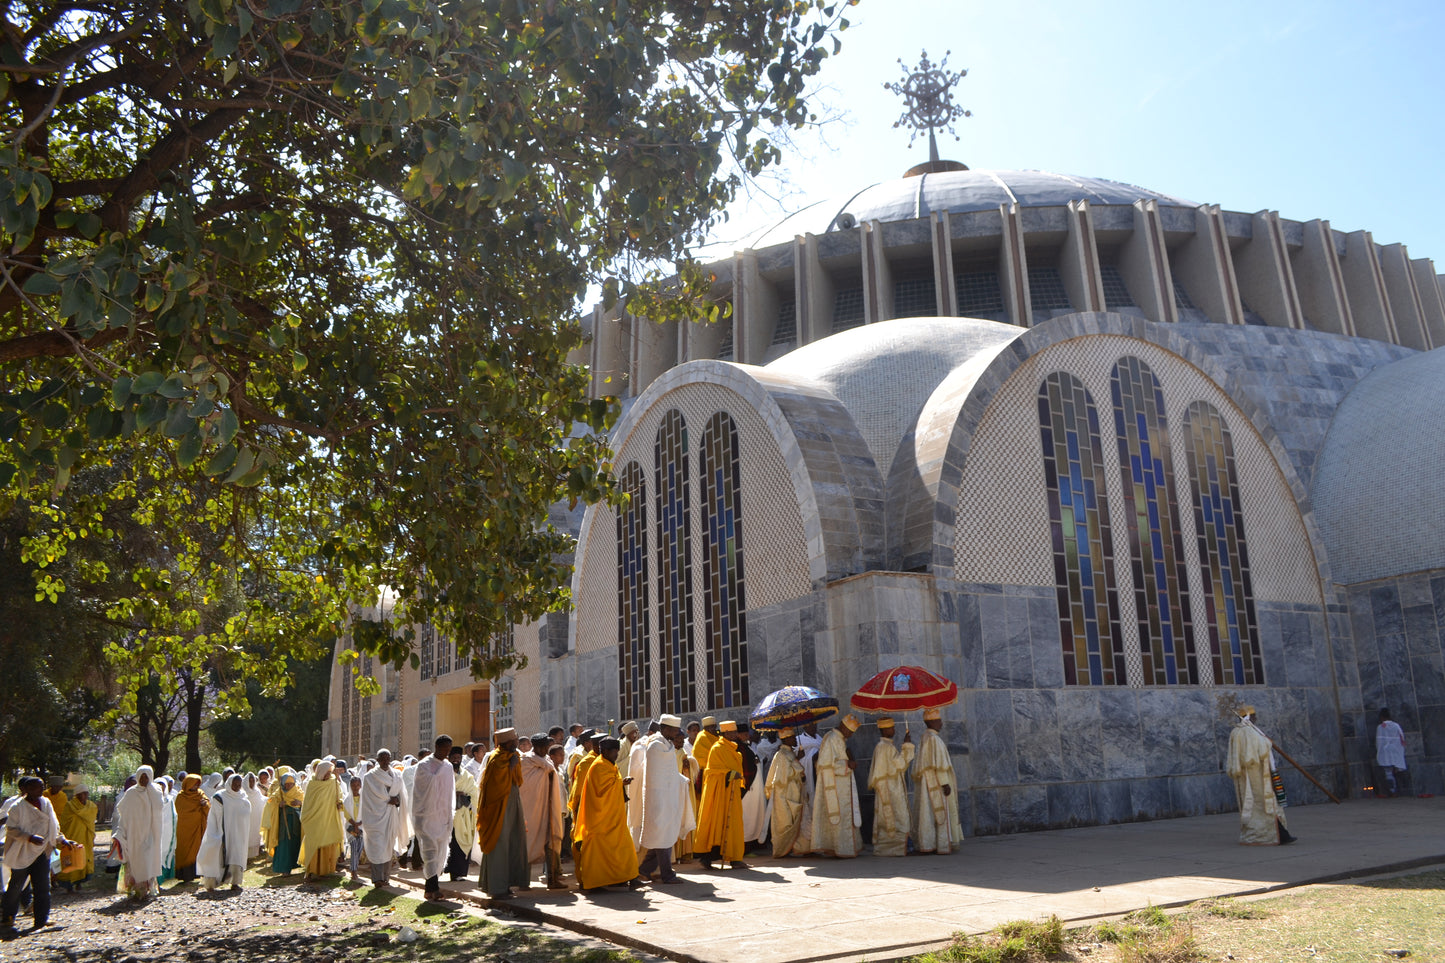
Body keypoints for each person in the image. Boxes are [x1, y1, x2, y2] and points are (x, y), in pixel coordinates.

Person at [574, 738, 646, 892]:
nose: (617, 754)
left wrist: (621, 783)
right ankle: (595, 883)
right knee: (600, 853)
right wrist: (618, 784)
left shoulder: (608, 764)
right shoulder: (599, 766)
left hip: (613, 817)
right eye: (615, 751)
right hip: (600, 819)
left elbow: (612, 784)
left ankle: (631, 878)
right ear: (606, 751)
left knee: (624, 848)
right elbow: (602, 791)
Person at [1, 777, 69, 931]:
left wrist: (61, 839)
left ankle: (41, 919)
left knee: (43, 886)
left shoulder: (46, 803)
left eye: (41, 786)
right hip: (22, 852)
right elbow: (11, 829)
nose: (40, 790)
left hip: (42, 851)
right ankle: (8, 917)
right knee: (16, 886)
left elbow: (53, 825)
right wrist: (29, 837)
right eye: (36, 787)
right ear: (27, 789)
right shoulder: (17, 807)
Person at [633, 715, 692, 884]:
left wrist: (680, 780)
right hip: (658, 798)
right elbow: (657, 775)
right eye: (674, 730)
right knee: (662, 834)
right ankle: (667, 874)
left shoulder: (667, 744)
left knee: (662, 836)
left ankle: (644, 870)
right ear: (665, 729)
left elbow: (669, 772)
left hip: (668, 796)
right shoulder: (656, 747)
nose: (676, 733)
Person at [1226, 706, 1296, 845]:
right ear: (1248, 717)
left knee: (1259, 805)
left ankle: (1279, 834)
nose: (1256, 718)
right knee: (1263, 804)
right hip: (1255, 775)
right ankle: (1266, 835)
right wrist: (1268, 743)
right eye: (1253, 715)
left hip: (1249, 776)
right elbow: (1254, 752)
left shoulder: (1237, 732)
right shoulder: (1247, 732)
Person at [476, 728, 529, 898]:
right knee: (499, 844)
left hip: (513, 803)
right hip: (498, 808)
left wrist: (514, 765)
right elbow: (494, 789)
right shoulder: (496, 759)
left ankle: (508, 884)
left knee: (514, 841)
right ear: (506, 743)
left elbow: (518, 781)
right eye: (514, 740)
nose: (516, 743)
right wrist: (509, 767)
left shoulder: (514, 756)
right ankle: (496, 888)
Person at [695, 720, 748, 870]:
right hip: (718, 794)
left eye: (735, 732)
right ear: (725, 733)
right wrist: (730, 774)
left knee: (734, 823)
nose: (735, 735)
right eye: (731, 732)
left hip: (732, 792)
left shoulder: (734, 749)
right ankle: (707, 858)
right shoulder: (717, 749)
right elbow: (711, 772)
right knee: (716, 823)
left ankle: (735, 858)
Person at [912, 707, 962, 854]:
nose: (941, 723)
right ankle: (942, 843)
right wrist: (944, 783)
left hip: (929, 781)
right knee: (941, 812)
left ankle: (932, 842)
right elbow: (938, 764)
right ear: (932, 721)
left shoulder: (926, 737)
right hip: (938, 781)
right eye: (939, 720)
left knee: (930, 813)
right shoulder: (933, 739)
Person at [411, 735, 456, 900]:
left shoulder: (448, 767)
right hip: (425, 816)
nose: (447, 753)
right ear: (437, 747)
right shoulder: (423, 766)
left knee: (439, 853)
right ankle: (433, 888)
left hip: (442, 816)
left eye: (449, 750)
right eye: (445, 749)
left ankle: (429, 889)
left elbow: (450, 792)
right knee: (430, 852)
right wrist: (436, 775)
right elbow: (421, 790)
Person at [519, 733, 565, 889]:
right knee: (527, 842)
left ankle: (552, 879)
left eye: (546, 747)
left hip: (549, 809)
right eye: (542, 747)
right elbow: (525, 787)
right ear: (535, 747)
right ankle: (523, 882)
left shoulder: (546, 761)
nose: (545, 749)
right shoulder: (525, 762)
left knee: (552, 839)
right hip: (531, 810)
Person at [812, 714, 862, 858]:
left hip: (843, 785)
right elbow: (824, 764)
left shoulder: (839, 738)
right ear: (844, 727)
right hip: (835, 787)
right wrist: (847, 765)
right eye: (850, 732)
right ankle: (840, 848)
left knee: (845, 815)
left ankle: (843, 847)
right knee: (839, 816)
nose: (851, 735)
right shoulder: (832, 738)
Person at [112, 766, 166, 899]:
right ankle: (136, 889)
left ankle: (148, 888)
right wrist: (120, 832)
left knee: (148, 860)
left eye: (146, 777)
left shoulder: (156, 791)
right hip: (134, 834)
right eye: (141, 777)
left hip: (151, 833)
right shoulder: (131, 793)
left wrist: (151, 790)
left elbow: (159, 806)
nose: (143, 780)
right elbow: (124, 814)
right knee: (136, 861)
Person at [867, 718, 914, 857]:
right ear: (885, 730)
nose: (893, 730)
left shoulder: (885, 746)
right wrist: (907, 746)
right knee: (898, 817)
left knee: (896, 817)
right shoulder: (885, 747)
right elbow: (899, 765)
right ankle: (899, 847)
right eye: (891, 728)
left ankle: (902, 846)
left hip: (890, 787)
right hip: (890, 790)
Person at [198, 774, 252, 892]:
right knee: (218, 856)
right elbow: (216, 816)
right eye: (235, 784)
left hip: (238, 834)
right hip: (222, 832)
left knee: (236, 856)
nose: (237, 787)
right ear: (229, 783)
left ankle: (235, 882)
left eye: (239, 784)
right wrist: (220, 832)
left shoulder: (243, 798)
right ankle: (211, 884)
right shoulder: (220, 797)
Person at [360, 749, 404, 887]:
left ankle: (386, 878)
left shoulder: (396, 775)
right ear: (377, 760)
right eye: (382, 759)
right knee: (378, 848)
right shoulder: (369, 777)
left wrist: (396, 801)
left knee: (388, 847)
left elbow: (402, 796)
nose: (385, 761)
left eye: (387, 759)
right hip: (375, 819)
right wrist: (386, 801)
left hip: (391, 817)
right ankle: (377, 879)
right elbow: (368, 800)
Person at [765, 728, 807, 857]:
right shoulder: (782, 755)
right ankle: (782, 849)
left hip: (792, 792)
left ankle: (794, 847)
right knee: (786, 821)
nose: (795, 739)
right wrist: (797, 765)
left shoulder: (789, 753)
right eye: (793, 737)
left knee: (793, 819)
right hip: (784, 794)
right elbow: (782, 777)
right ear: (786, 739)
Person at [300, 760, 344, 881]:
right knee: (312, 844)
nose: (328, 775)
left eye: (330, 773)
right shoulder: (312, 784)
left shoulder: (333, 783)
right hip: (314, 821)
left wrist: (340, 803)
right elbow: (307, 804)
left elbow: (339, 796)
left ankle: (324, 870)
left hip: (328, 819)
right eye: (326, 773)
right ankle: (309, 871)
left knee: (327, 842)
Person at [57, 785, 97, 891]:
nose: (84, 796)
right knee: (71, 858)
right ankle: (69, 884)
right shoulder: (70, 806)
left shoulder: (91, 806)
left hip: (85, 837)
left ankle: (80, 883)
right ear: (76, 795)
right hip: (72, 836)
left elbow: (91, 821)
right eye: (81, 794)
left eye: (86, 793)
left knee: (83, 857)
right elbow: (64, 822)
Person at [265, 771, 305, 874]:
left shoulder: (299, 792)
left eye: (291, 784)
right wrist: (278, 804)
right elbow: (270, 803)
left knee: (295, 843)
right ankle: (284, 869)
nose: (288, 786)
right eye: (286, 784)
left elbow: (306, 804)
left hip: (296, 823)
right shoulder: (278, 793)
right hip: (283, 823)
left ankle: (294, 865)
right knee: (284, 844)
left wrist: (300, 803)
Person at [448, 745, 477, 881]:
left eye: (458, 758)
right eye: (453, 757)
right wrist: (454, 793)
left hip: (463, 814)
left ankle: (459, 873)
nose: (456, 760)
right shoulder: (444, 774)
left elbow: (474, 792)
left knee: (462, 843)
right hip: (448, 814)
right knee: (450, 843)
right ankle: (448, 870)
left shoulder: (466, 775)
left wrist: (465, 796)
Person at [173, 774, 209, 881]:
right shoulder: (181, 797)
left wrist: (205, 805)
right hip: (184, 830)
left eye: (198, 784)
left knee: (196, 851)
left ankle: (196, 873)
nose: (196, 786)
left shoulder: (201, 795)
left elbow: (208, 809)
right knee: (184, 851)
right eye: (194, 784)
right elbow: (180, 813)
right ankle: (185, 875)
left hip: (197, 830)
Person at [1376, 708, 1408, 797]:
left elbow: (1379, 741)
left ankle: (1392, 791)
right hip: (1395, 750)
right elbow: (1402, 738)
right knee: (1395, 770)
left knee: (1388, 773)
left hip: (1385, 752)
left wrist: (1379, 751)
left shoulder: (1380, 727)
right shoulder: (1396, 726)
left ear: (1381, 717)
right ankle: (1395, 790)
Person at [342, 776, 364, 881]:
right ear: (350, 786)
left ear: (360, 785)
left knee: (360, 848)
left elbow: (367, 811)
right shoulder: (347, 799)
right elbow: (346, 814)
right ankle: (354, 871)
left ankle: (355, 866)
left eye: (357, 785)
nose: (356, 787)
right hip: (350, 827)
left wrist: (360, 823)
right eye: (353, 785)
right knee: (354, 846)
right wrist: (355, 825)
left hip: (362, 826)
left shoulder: (364, 799)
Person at [243, 773, 266, 860]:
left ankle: (253, 855)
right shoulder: (242, 793)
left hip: (256, 818)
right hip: (247, 819)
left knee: (255, 835)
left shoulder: (257, 792)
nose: (251, 783)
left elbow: (262, 800)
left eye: (253, 780)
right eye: (249, 781)